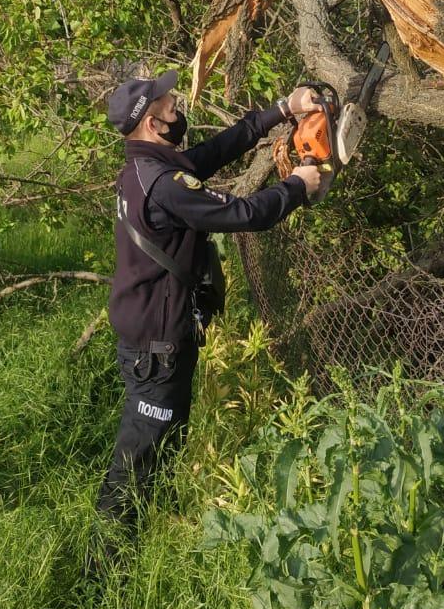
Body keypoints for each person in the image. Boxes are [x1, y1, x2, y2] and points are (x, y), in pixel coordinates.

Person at [93, 71, 321, 553]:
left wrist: (282, 109)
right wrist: (298, 185)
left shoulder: (144, 167)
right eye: (172, 109)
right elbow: (245, 215)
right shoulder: (164, 184)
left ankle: (144, 529)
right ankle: (104, 568)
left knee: (161, 443)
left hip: (150, 339)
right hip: (157, 349)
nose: (180, 114)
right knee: (135, 458)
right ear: (153, 125)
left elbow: (216, 151)